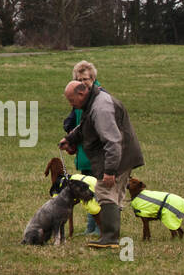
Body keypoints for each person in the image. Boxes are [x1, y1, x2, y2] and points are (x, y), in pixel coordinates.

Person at [59, 79, 145, 250]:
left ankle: (110, 237)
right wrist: (71, 139)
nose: (71, 104)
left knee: (105, 190)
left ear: (81, 94)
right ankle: (111, 235)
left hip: (120, 155)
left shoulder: (101, 108)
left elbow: (113, 141)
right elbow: (85, 126)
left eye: (71, 100)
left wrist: (110, 171)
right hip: (121, 153)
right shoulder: (92, 102)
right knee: (113, 194)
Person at [63, 61, 102, 237]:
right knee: (88, 191)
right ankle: (90, 228)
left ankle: (100, 228)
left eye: (85, 79)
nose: (82, 82)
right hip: (84, 151)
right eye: (79, 79)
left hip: (97, 153)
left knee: (99, 190)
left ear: (93, 79)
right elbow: (72, 122)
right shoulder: (80, 99)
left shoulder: (98, 98)